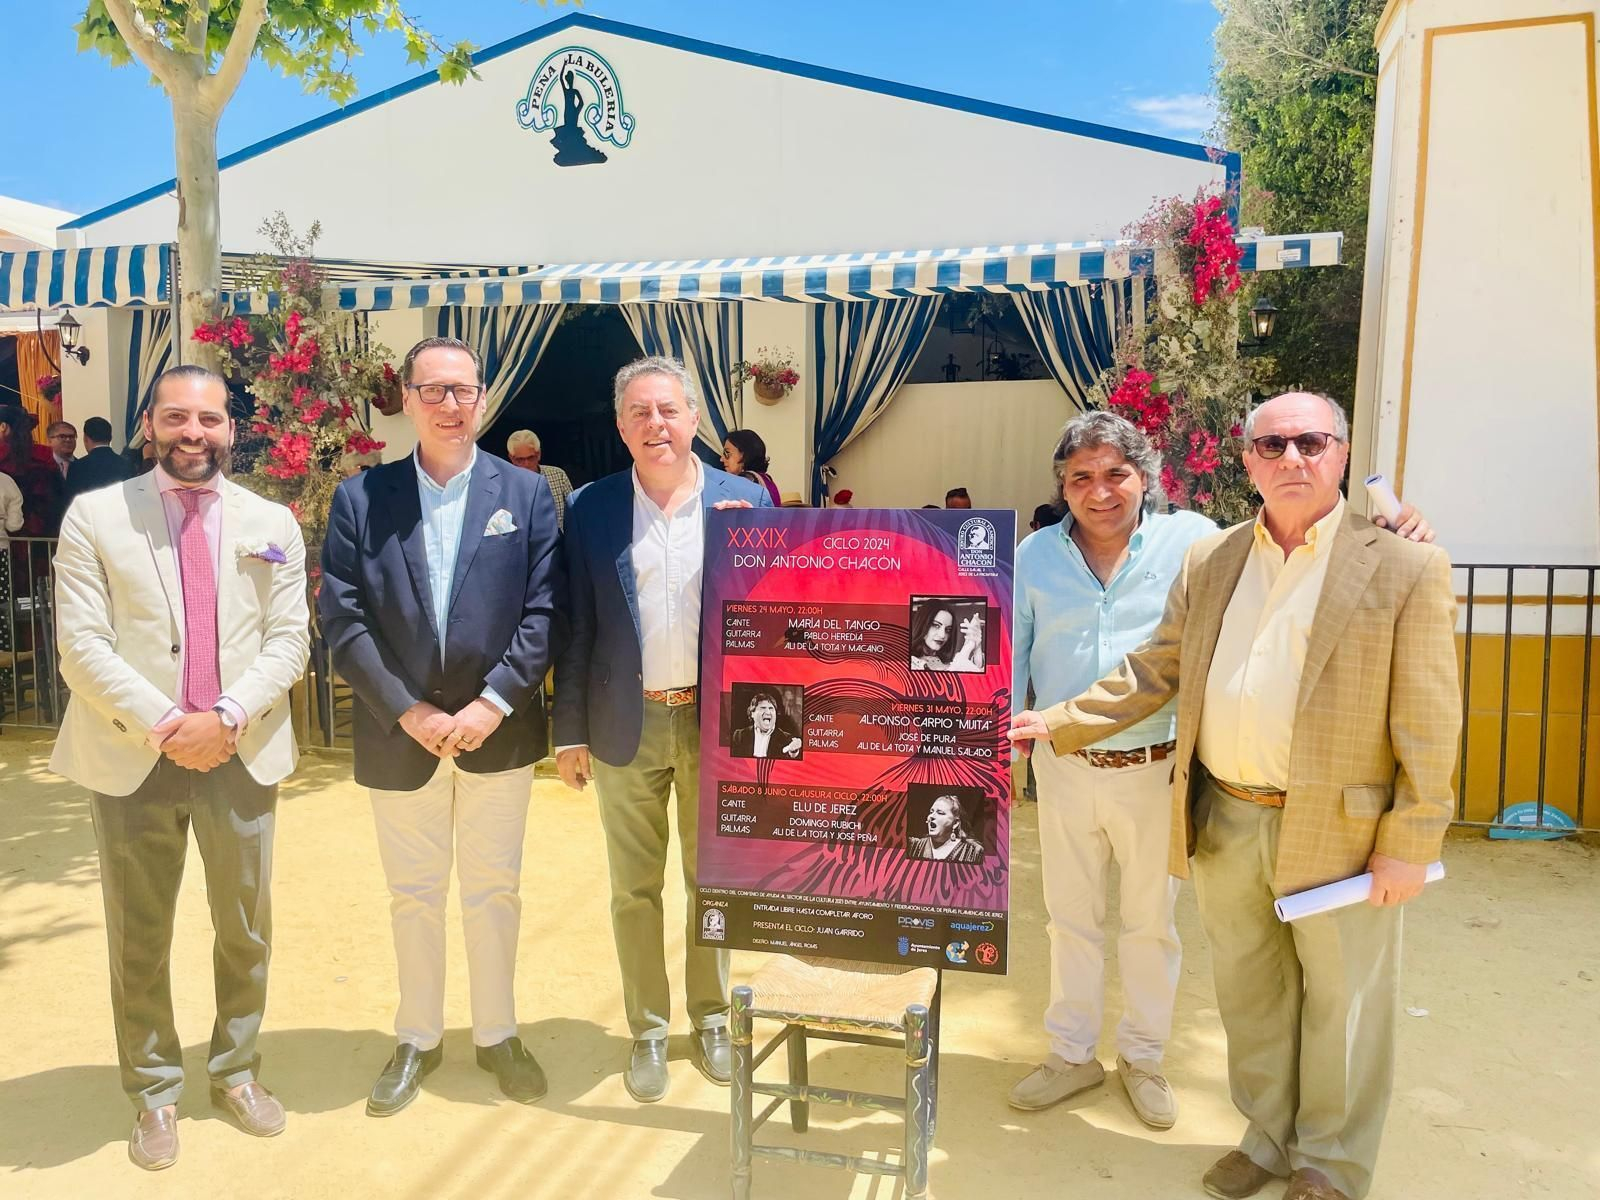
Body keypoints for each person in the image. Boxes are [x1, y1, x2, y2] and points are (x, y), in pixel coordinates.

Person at [1011, 392, 1459, 1200]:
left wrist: (1412, 838)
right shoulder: (1214, 559)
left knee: (1342, 1002)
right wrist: (1058, 722)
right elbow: (1157, 667)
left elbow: (1431, 719)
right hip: (1227, 813)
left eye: (1311, 443)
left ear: (1342, 452)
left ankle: (1329, 1165)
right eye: (1272, 446)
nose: (1293, 459)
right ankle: (1267, 1139)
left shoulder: (1402, 563)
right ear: (1248, 460)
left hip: (1341, 827)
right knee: (1253, 995)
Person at [48, 365, 310, 1171]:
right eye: (175, 417)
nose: (192, 432)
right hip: (135, 754)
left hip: (241, 751)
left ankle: (236, 1070)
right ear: (149, 426)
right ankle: (154, 1089)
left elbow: (289, 640)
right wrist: (170, 725)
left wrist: (225, 717)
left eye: (208, 418)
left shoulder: (272, 521)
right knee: (139, 931)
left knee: (245, 928)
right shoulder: (96, 517)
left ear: (232, 427)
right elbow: (80, 645)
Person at [319, 337, 564, 1117]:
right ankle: (418, 1037)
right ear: (407, 398)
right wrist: (408, 709)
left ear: (484, 399)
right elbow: (343, 619)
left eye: (463, 390)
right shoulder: (363, 498)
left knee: (495, 891)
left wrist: (493, 702)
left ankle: (497, 1033)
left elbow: (545, 611)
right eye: (434, 390)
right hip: (401, 733)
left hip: (499, 731)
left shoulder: (525, 495)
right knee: (413, 896)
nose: (450, 405)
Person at [554, 356, 771, 1103]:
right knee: (633, 889)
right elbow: (575, 625)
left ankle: (711, 1019)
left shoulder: (746, 501)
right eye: (639, 412)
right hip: (626, 721)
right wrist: (568, 730)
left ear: (695, 419)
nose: (656, 425)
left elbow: (782, 614)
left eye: (668, 410)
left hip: (720, 723)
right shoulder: (591, 508)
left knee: (713, 881)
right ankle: (647, 1028)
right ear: (621, 427)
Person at [506, 428, 574, 530]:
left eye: (531, 458)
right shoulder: (505, 484)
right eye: (520, 460)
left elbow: (573, 513)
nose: (526, 464)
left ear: (538, 454)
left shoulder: (558, 476)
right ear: (511, 458)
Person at [66, 416, 135, 500]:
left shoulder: (77, 467)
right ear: (110, 438)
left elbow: (71, 501)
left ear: (86, 438)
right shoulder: (127, 465)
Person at [908, 793, 985, 863]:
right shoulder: (913, 845)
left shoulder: (974, 853)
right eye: (931, 812)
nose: (931, 816)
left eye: (940, 813)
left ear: (955, 823)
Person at [909, 602, 985, 672]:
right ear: (922, 625)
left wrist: (976, 646)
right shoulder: (910, 664)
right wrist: (967, 648)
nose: (942, 635)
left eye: (948, 630)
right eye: (936, 625)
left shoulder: (947, 663)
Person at [730, 690, 802, 759]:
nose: (768, 712)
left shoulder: (787, 739)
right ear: (752, 713)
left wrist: (794, 751)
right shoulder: (739, 736)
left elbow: (793, 760)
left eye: (771, 708)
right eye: (763, 708)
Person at [720, 429, 783, 507]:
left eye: (727, 453)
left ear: (744, 455)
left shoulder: (747, 480)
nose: (721, 459)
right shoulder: (766, 478)